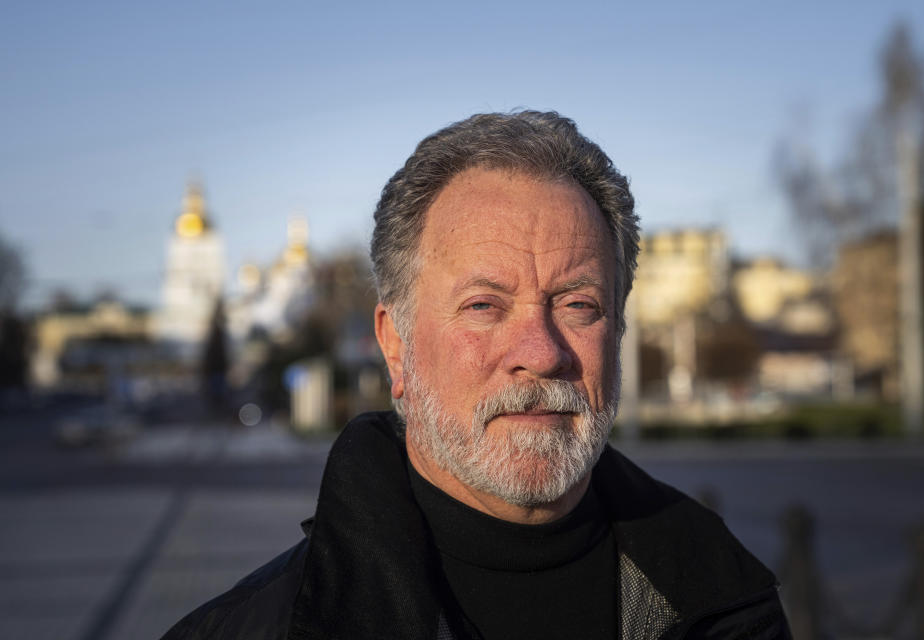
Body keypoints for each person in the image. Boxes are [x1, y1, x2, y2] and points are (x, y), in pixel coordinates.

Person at [162, 111, 791, 639]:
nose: (540, 352)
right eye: (483, 306)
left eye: (578, 305)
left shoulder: (728, 607)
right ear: (397, 347)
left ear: (617, 331)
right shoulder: (257, 628)